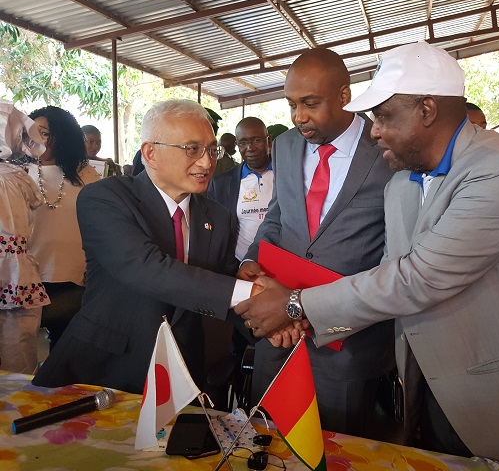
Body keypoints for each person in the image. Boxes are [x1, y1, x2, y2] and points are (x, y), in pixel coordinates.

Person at [234, 42, 499, 466]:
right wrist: (296, 312)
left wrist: (296, 306)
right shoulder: (404, 183)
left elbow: (418, 277)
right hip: (425, 385)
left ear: (427, 109)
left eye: (385, 116)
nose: (373, 130)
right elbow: (389, 272)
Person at [32, 99, 254, 395]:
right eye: (192, 149)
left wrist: (274, 317)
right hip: (105, 368)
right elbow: (148, 269)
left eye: (212, 150)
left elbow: (221, 281)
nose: (206, 162)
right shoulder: (106, 198)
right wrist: (255, 295)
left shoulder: (217, 216)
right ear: (151, 152)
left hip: (183, 373)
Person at [237, 48, 396, 438]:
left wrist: (312, 311)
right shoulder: (288, 146)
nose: (298, 117)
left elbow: (393, 251)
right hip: (277, 332)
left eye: (310, 103)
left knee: (337, 449)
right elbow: (277, 215)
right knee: (265, 441)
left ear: (344, 95)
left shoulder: (386, 151)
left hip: (346, 341)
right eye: (291, 104)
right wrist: (252, 262)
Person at [27, 106, 101, 351]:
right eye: (32, 131)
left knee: (67, 355)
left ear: (64, 136)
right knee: (20, 354)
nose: (37, 139)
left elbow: (100, 229)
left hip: (74, 279)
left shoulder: (88, 175)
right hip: (26, 278)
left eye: (45, 133)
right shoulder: (15, 174)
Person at [0, 100, 50, 373]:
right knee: (17, 352)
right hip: (15, 272)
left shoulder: (11, 177)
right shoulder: (15, 178)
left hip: (13, 269)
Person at [208, 118, 273, 262]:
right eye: (243, 143)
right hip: (240, 266)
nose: (250, 148)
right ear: (237, 145)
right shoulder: (221, 185)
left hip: (282, 262)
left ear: (268, 141)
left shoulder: (288, 175)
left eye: (257, 140)